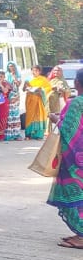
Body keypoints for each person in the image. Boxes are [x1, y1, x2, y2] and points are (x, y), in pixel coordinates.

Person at [48, 70, 83, 249]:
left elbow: (67, 128)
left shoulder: (76, 103)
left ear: (77, 83)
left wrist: (55, 118)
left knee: (74, 193)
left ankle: (82, 234)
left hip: (76, 159)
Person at [22, 65, 51, 140]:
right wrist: (25, 86)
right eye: (33, 70)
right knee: (29, 117)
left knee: (39, 116)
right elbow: (24, 89)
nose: (34, 72)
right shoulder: (28, 79)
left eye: (36, 71)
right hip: (30, 100)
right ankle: (28, 135)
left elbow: (48, 88)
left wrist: (41, 90)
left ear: (40, 72)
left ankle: (38, 135)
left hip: (39, 100)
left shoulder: (43, 79)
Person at [5, 62, 24, 141]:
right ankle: (9, 134)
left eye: (12, 66)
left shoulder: (17, 75)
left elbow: (18, 84)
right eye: (9, 66)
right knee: (9, 115)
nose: (11, 67)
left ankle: (16, 134)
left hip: (15, 95)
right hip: (8, 95)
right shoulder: (6, 75)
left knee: (15, 114)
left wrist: (14, 77)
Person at [0, 71, 11, 141]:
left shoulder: (6, 83)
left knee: (2, 118)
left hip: (4, 103)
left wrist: (0, 84)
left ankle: (1, 136)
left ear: (4, 77)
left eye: (1, 76)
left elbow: (5, 91)